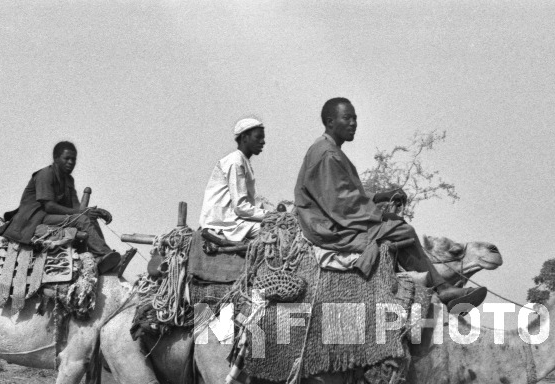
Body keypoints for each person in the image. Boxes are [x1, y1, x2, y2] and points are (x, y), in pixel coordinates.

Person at [293, 98, 486, 310]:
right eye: (347, 118)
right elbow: (340, 204)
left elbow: (345, 193)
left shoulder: (329, 150)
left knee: (396, 227)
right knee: (402, 231)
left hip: (333, 219)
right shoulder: (327, 154)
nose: (353, 123)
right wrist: (379, 215)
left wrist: (380, 196)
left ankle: (438, 289)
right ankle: (442, 289)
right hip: (328, 228)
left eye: (355, 118)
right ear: (330, 122)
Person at [1, 141, 121, 274]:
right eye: (67, 158)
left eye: (73, 159)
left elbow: (76, 207)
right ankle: (102, 254)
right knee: (82, 220)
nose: (71, 162)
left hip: (49, 216)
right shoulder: (45, 174)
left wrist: (95, 212)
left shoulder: (68, 180)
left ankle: (101, 257)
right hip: (33, 219)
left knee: (89, 218)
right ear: (56, 158)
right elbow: (49, 206)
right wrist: (83, 213)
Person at [198, 118, 269, 241]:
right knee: (274, 232)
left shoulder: (243, 161)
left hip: (234, 220)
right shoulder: (235, 161)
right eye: (258, 137)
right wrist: (271, 215)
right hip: (225, 223)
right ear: (244, 137)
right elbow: (240, 207)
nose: (263, 142)